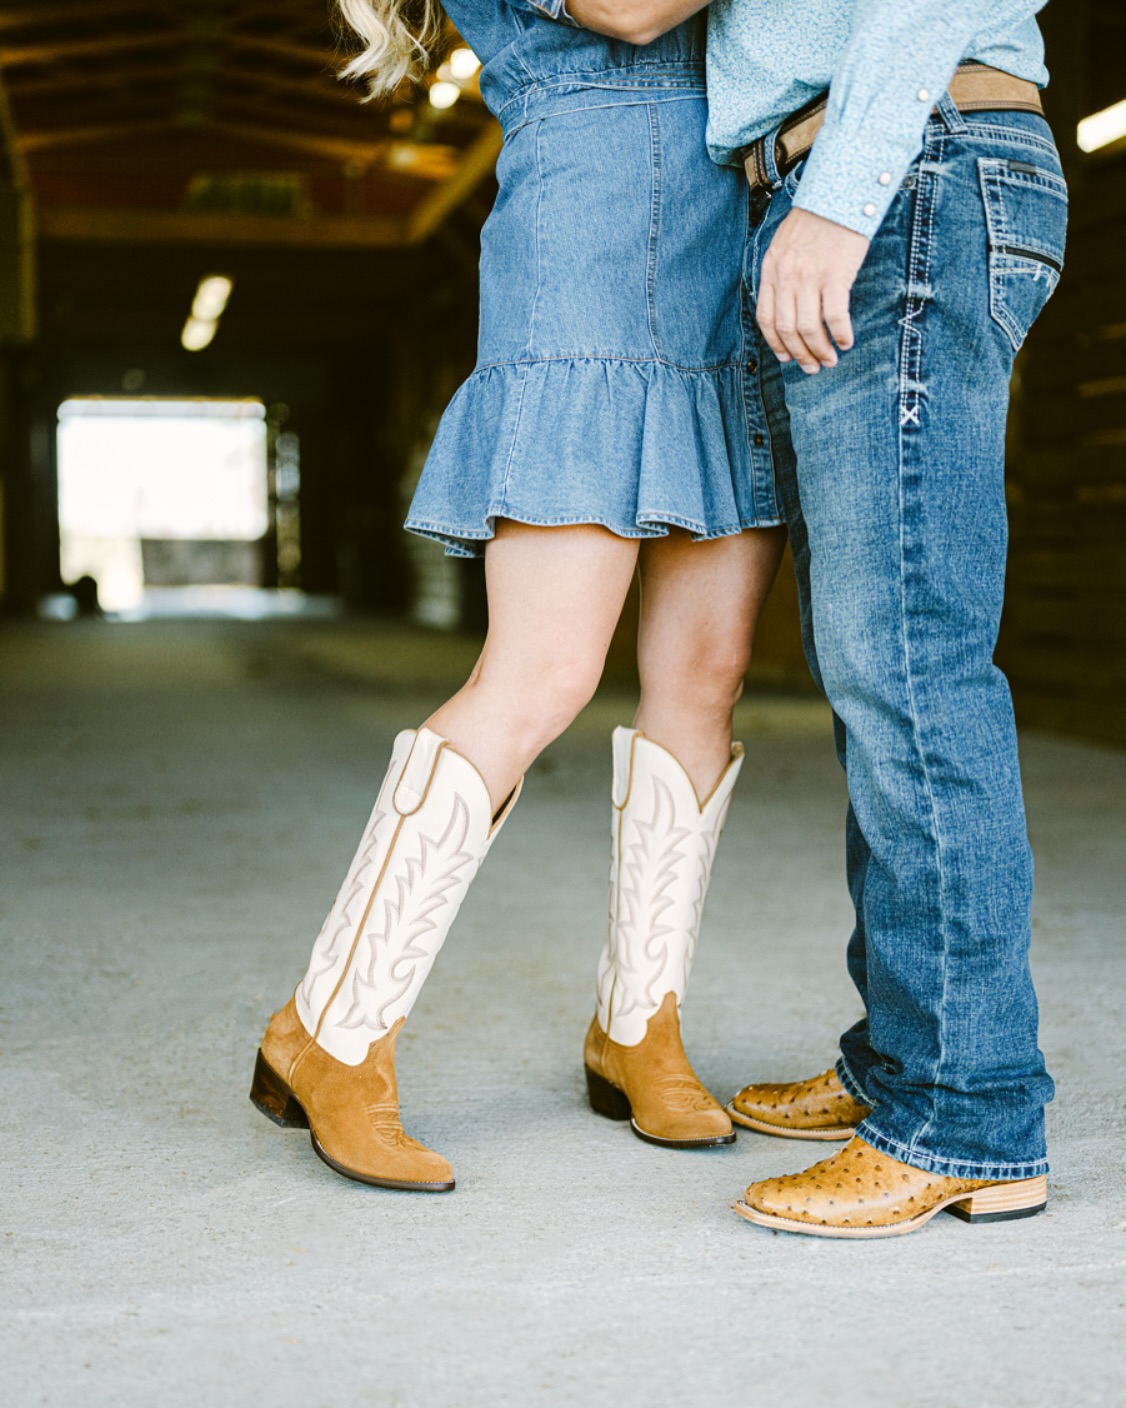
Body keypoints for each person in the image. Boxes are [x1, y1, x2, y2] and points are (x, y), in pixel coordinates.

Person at [249, 0, 787, 1190]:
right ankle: (333, 1030)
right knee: (539, 673)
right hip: (589, 242)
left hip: (727, 237)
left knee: (704, 674)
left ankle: (638, 1026)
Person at [590, 0, 1062, 1237]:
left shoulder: (870, 178)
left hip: (910, 162)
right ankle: (902, 1064)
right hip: (884, 156)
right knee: (877, 668)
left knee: (910, 664)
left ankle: (967, 1114)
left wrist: (842, 195)